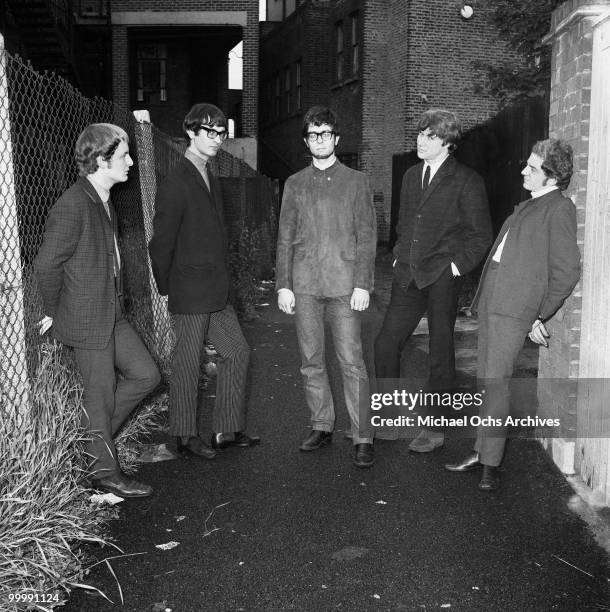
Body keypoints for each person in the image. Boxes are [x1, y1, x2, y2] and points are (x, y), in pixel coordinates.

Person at [445, 139, 580, 490]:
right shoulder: (531, 206)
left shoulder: (558, 209)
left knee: (495, 384)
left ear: (551, 177)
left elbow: (566, 272)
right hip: (493, 305)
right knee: (486, 382)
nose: (524, 170)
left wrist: (539, 314)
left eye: (532, 168)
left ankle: (490, 462)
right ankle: (482, 450)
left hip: (513, 311)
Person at [35, 123, 160, 498]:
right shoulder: (73, 205)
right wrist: (54, 311)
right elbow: (45, 265)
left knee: (146, 375)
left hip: (111, 313)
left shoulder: (102, 199)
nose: (131, 162)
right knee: (99, 395)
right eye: (123, 156)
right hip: (87, 318)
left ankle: (90, 445)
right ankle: (104, 471)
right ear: (102, 159)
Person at [374, 108, 491, 452]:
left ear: (448, 143)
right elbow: (404, 222)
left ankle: (434, 429)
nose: (420, 141)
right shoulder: (411, 175)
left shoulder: (467, 180)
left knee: (440, 354)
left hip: (442, 276)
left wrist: (454, 269)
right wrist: (397, 254)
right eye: (420, 134)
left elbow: (480, 235)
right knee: (385, 343)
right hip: (407, 274)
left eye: (430, 136)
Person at [149, 103, 259, 459]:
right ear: (191, 133)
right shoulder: (176, 181)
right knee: (188, 361)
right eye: (208, 132)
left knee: (237, 352)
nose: (216, 138)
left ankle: (225, 430)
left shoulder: (208, 173)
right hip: (190, 289)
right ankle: (182, 436)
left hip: (215, 289)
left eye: (220, 132)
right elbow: (160, 243)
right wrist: (167, 289)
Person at [276, 105, 377, 468]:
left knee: (352, 361)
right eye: (313, 135)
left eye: (326, 134)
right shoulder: (295, 184)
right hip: (304, 286)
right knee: (311, 361)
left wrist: (363, 283)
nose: (320, 140)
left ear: (336, 138)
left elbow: (367, 237)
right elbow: (284, 237)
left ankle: (363, 434)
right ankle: (321, 424)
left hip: (345, 286)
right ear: (307, 141)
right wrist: (283, 285)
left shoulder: (357, 181)